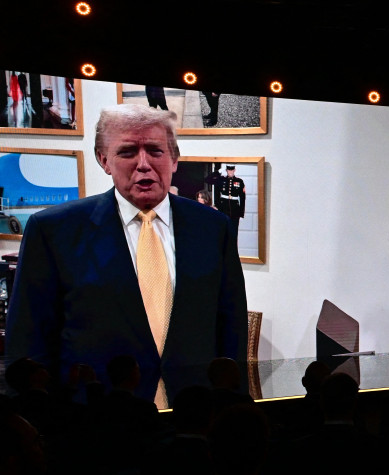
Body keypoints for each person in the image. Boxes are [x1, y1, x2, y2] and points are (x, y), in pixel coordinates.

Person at [4, 105, 248, 406]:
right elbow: (28, 342)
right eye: (128, 152)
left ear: (174, 159)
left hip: (194, 415)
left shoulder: (213, 227)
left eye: (156, 151)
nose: (143, 164)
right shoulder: (53, 231)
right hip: (98, 421)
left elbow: (231, 329)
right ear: (103, 159)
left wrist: (235, 409)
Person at [208, 164, 246, 240]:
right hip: (223, 209)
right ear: (226, 170)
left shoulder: (239, 181)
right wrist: (218, 171)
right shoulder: (221, 180)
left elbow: (242, 198)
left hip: (235, 210)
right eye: (229, 170)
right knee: (223, 232)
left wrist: (241, 213)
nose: (230, 172)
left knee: (233, 234)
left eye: (232, 170)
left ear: (234, 170)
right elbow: (208, 179)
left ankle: (233, 252)